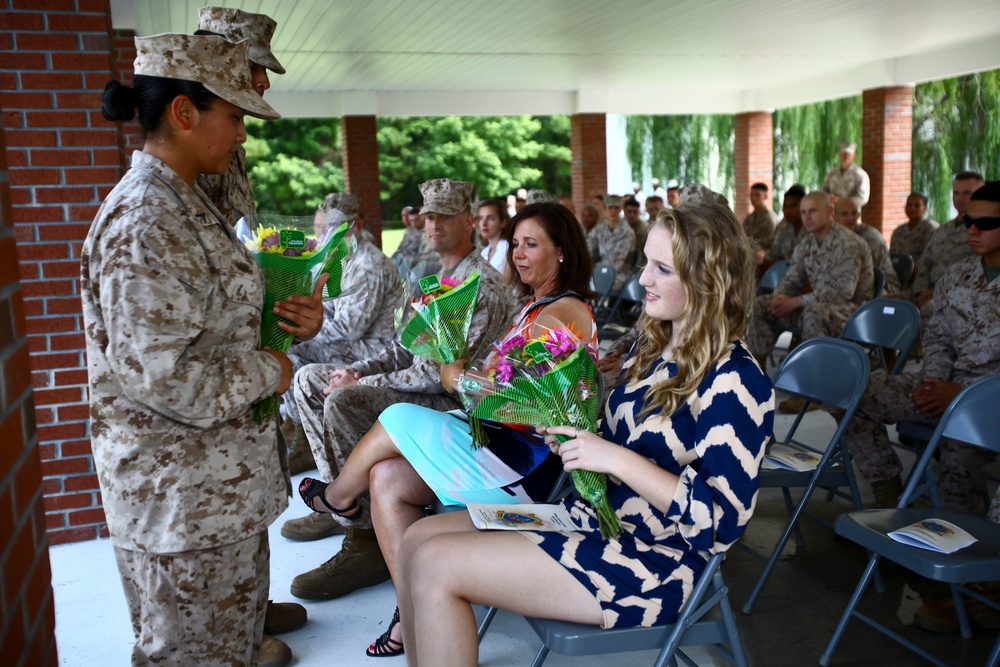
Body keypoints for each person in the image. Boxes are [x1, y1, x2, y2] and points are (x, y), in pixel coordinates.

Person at [391, 196, 775, 666]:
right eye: (645, 263)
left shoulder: (736, 380)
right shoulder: (650, 346)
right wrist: (576, 434)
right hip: (593, 518)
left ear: (707, 283)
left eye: (663, 269)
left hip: (653, 560)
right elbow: (621, 440)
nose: (643, 279)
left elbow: (721, 524)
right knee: (416, 540)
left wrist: (612, 458)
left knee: (436, 563)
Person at [83, 33, 326, 667]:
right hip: (180, 500)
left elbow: (204, 316)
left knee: (228, 647)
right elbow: (164, 378)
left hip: (211, 489)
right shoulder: (146, 221)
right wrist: (271, 367)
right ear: (185, 113)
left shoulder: (183, 199)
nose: (242, 134)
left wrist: (282, 318)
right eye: (236, 116)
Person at [297, 202, 598, 656]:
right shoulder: (537, 306)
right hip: (496, 443)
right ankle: (410, 611)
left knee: (396, 418)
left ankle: (338, 499)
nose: (517, 254)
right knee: (386, 477)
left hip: (526, 465)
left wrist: (455, 377)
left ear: (562, 252)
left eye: (531, 244)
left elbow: (524, 402)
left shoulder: (564, 312)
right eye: (515, 244)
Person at [283, 178, 515, 600]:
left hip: (459, 404)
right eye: (429, 215)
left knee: (345, 399)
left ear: (469, 221)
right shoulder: (436, 273)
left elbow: (437, 375)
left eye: (445, 216)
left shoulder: (478, 283)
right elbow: (401, 348)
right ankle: (349, 509)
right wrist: (355, 369)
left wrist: (360, 382)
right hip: (424, 386)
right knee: (311, 378)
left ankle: (364, 542)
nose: (434, 224)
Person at [841, 180, 1000, 510]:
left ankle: (941, 533)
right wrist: (934, 382)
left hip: (987, 404)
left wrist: (959, 395)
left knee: (950, 491)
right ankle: (886, 486)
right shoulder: (958, 275)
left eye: (985, 224)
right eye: (969, 221)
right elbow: (938, 337)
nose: (972, 230)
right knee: (855, 395)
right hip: (942, 382)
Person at [280, 193, 406, 474]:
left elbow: (349, 327)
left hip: (372, 351)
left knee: (291, 346)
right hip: (352, 343)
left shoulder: (368, 265)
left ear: (355, 227)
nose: (321, 235)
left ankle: (301, 437)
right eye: (318, 228)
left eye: (329, 229)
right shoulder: (344, 259)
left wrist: (304, 331)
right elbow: (329, 311)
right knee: (288, 341)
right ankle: (295, 426)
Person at [747, 191, 874, 412]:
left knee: (814, 313)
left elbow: (842, 292)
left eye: (813, 211)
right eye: (804, 212)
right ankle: (756, 377)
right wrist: (780, 298)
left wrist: (796, 302)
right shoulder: (807, 243)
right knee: (761, 304)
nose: (807, 217)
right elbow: (792, 278)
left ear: (829, 212)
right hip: (816, 303)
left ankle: (814, 391)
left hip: (853, 309)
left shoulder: (848, 243)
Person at [909, 172, 984, 326]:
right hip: (928, 292)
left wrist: (935, 293)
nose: (960, 198)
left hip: (961, 295)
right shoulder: (943, 230)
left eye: (967, 193)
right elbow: (925, 263)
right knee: (883, 303)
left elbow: (977, 272)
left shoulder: (983, 232)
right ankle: (887, 350)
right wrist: (921, 291)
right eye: (956, 193)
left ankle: (926, 351)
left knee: (929, 310)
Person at [834, 196, 901, 296]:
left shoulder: (871, 238)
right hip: (852, 285)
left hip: (883, 287)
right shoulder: (835, 236)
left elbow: (865, 276)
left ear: (858, 215)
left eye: (854, 213)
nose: (850, 218)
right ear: (835, 218)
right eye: (844, 214)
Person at [588, 194, 636, 291]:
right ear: (605, 209)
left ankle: (595, 306)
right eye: (610, 208)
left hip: (620, 273)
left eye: (616, 208)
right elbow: (588, 247)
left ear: (620, 209)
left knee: (594, 282)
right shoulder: (600, 228)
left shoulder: (627, 231)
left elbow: (617, 260)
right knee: (578, 280)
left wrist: (595, 269)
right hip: (599, 270)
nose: (613, 211)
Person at [890, 192, 937, 267]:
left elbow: (929, 256)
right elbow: (892, 257)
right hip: (899, 272)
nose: (912, 208)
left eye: (917, 205)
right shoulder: (898, 231)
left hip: (923, 273)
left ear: (924, 208)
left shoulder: (931, 228)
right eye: (909, 205)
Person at [765, 184, 808, 264]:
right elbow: (774, 254)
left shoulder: (813, 229)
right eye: (785, 206)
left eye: (793, 206)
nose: (788, 211)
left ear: (804, 206)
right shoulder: (784, 227)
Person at [822, 142, 870, 206]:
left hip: (850, 213)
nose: (846, 156)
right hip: (831, 212)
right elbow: (823, 191)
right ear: (839, 155)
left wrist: (841, 201)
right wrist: (829, 198)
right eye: (844, 153)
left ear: (854, 156)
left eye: (849, 154)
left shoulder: (860, 175)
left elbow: (863, 198)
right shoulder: (832, 173)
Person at [743, 182, 778, 261]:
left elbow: (771, 241)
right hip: (748, 251)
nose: (753, 198)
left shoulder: (769, 218)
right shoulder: (749, 217)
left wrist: (752, 241)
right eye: (751, 195)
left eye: (757, 195)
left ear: (765, 197)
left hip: (763, 256)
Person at [476, 197, 510, 275]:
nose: (484, 223)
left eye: (490, 218)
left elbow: (504, 284)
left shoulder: (508, 249)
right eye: (481, 218)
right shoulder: (484, 252)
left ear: (503, 222)